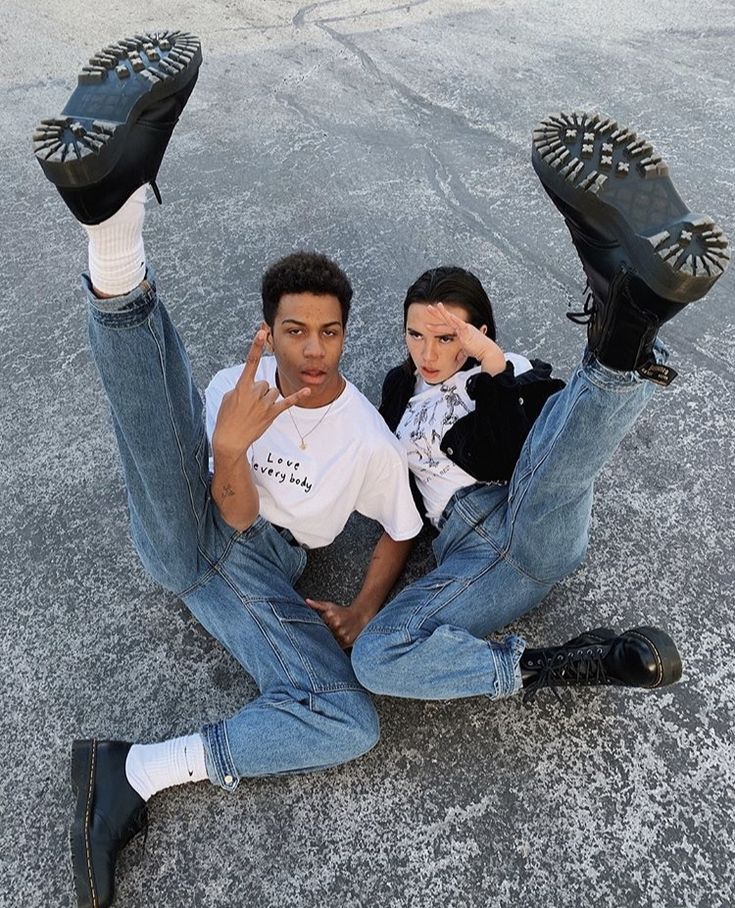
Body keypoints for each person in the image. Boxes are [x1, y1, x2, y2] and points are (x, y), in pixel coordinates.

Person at [315, 111, 729, 703]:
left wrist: (495, 366)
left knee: (553, 454)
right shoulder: (397, 391)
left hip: (530, 507)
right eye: (416, 335)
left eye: (447, 337)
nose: (428, 353)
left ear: (479, 331)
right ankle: (564, 664)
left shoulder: (514, 375)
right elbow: (393, 507)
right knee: (377, 657)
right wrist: (362, 608)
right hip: (471, 556)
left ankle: (627, 317)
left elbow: (530, 447)